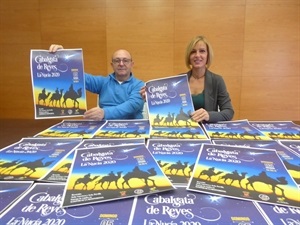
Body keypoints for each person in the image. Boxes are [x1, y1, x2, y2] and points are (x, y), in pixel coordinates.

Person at [140, 35, 234, 123]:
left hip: (207, 133)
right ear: (189, 57)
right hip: (182, 130)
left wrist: (209, 115)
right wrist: (150, 98)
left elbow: (229, 112)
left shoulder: (217, 81)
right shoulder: (178, 81)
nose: (197, 55)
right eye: (193, 52)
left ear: (208, 56)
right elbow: (167, 106)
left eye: (202, 51)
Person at [49, 44, 145, 120]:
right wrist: (62, 57)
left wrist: (104, 113)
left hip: (133, 128)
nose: (121, 64)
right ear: (112, 65)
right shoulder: (103, 82)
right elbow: (78, 76)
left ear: (132, 64)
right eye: (117, 61)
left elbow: (131, 106)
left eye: (125, 60)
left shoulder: (140, 85)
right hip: (104, 129)